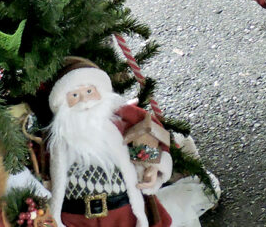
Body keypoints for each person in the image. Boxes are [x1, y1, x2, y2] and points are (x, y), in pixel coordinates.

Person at [47, 58, 172, 227]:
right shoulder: (58, 137)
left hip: (122, 211)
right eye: (75, 95)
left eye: (89, 91)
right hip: (75, 216)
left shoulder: (118, 119)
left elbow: (149, 130)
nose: (84, 100)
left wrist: (152, 167)